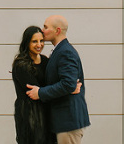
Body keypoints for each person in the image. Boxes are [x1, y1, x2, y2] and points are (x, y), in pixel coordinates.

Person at [12, 25, 82, 144]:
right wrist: (68, 90)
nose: (39, 45)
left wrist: (68, 85)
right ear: (27, 42)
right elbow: (37, 93)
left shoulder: (45, 61)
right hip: (31, 117)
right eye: (34, 41)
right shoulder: (21, 64)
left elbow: (48, 87)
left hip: (48, 114)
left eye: (41, 41)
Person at [26, 15, 90, 144]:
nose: (42, 30)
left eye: (45, 27)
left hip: (68, 122)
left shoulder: (65, 52)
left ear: (57, 31)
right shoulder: (59, 51)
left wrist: (40, 93)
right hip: (63, 121)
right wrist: (69, 87)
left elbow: (68, 84)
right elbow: (68, 85)